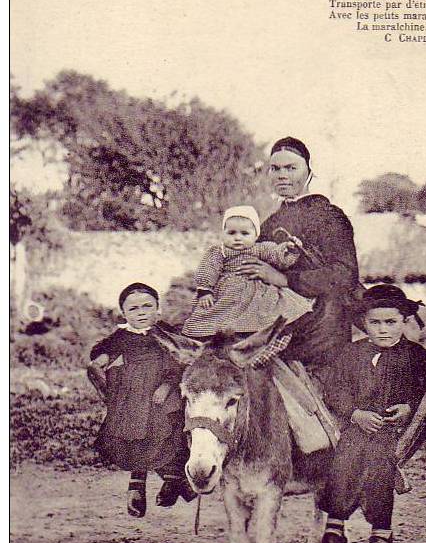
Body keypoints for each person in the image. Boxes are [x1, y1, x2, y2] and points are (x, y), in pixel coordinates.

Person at [317, 284, 426, 543]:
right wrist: (355, 413)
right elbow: (333, 390)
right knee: (343, 457)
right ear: (364, 323)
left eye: (391, 322)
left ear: (404, 322)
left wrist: (409, 408)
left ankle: (381, 531)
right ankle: (335, 527)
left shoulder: (419, 358)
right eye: (375, 323)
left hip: (395, 429)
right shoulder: (351, 354)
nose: (383, 330)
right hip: (357, 424)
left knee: (379, 458)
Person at [235, 137, 360, 378]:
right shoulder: (269, 224)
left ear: (309, 172)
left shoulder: (329, 216)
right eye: (276, 169)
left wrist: (284, 279)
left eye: (291, 168)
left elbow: (344, 275)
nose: (282, 175)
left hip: (323, 331)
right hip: (278, 329)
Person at [88, 282, 194, 518]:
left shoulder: (166, 332)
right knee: (136, 434)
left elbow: (181, 360)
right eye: (134, 309)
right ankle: (138, 483)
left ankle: (173, 479)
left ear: (158, 309)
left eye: (148, 306)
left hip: (165, 389)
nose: (142, 312)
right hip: (135, 393)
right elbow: (104, 352)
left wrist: (166, 386)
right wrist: (102, 360)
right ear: (124, 314)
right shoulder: (122, 336)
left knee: (167, 432)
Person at [182, 205, 313, 339]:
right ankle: (211, 334)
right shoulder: (220, 251)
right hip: (227, 290)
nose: (238, 238)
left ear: (256, 235)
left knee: (268, 308)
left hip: (254, 290)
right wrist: (205, 291)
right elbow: (208, 268)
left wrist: (289, 250)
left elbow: (277, 256)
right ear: (223, 233)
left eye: (245, 233)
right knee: (214, 314)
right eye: (231, 233)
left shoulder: (260, 248)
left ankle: (251, 332)